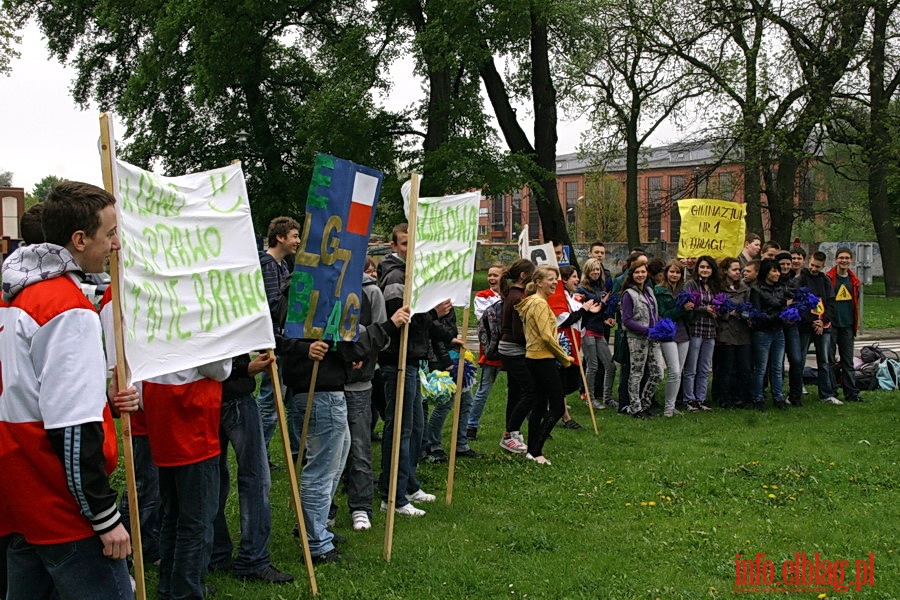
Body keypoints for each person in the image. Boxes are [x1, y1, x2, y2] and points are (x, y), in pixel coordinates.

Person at [0, 181, 140, 600]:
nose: (116, 244)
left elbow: (29, 391)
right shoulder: (67, 308)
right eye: (111, 232)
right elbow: (73, 426)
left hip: (19, 496)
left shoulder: (13, 295)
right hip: (61, 506)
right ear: (79, 239)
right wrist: (104, 516)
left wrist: (105, 402)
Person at [378, 223, 453, 517]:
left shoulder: (411, 275)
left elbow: (421, 319)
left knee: (415, 427)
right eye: (405, 244)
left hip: (412, 360)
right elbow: (401, 322)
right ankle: (391, 496)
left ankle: (408, 484)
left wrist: (444, 332)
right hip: (396, 361)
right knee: (399, 429)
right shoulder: (396, 277)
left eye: (414, 243)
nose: (411, 249)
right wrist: (434, 314)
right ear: (395, 246)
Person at [142, 359, 233, 599]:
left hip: (161, 411)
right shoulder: (198, 320)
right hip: (193, 418)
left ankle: (170, 587)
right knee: (196, 521)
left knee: (173, 516)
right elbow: (218, 368)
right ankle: (186, 591)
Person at [210, 352, 294, 583]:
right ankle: (249, 558)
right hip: (218, 395)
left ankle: (224, 553)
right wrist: (244, 368)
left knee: (218, 479)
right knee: (252, 478)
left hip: (216, 395)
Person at [515, 265, 573, 464]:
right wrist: (564, 358)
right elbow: (546, 336)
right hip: (542, 358)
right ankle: (537, 450)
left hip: (534, 357)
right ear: (538, 282)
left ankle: (532, 450)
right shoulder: (538, 303)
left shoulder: (534, 301)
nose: (554, 282)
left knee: (539, 405)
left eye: (556, 279)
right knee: (557, 406)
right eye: (550, 279)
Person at [257, 216, 301, 461]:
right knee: (270, 401)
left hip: (284, 340)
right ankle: (260, 454)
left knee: (288, 396)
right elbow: (273, 305)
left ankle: (295, 448)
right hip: (273, 341)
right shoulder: (269, 265)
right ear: (280, 238)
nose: (298, 241)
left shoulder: (283, 265)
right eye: (294, 236)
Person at [498, 259, 536, 454]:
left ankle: (512, 433)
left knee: (516, 392)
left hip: (510, 348)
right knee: (531, 392)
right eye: (533, 273)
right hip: (513, 350)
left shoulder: (514, 294)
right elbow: (518, 331)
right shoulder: (517, 298)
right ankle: (509, 434)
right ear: (524, 276)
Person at [620, 262, 665, 418]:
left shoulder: (650, 291)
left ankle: (646, 403)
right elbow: (627, 320)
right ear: (632, 274)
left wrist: (660, 328)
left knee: (658, 372)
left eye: (643, 272)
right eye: (637, 272)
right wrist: (646, 330)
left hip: (653, 337)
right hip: (637, 338)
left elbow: (654, 313)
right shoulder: (628, 294)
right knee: (636, 373)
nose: (641, 275)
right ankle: (635, 407)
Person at [467, 264, 504, 440]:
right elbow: (486, 317)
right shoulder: (483, 296)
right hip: (491, 348)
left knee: (521, 386)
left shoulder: (508, 295)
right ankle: (471, 425)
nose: (491, 278)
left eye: (495, 275)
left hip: (509, 347)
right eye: (490, 275)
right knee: (484, 388)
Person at [653, 259, 694, 417]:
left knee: (679, 371)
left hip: (684, 333)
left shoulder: (684, 290)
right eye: (672, 271)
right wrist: (682, 309)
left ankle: (671, 405)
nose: (675, 275)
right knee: (674, 371)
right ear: (666, 273)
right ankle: (668, 408)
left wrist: (690, 309)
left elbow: (689, 317)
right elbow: (665, 315)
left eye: (677, 272)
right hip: (668, 334)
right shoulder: (659, 291)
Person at [797, 251, 838, 404]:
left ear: (823, 266)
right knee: (799, 359)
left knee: (824, 360)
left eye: (818, 267)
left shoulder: (825, 281)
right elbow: (798, 303)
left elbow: (831, 303)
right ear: (809, 262)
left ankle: (826, 394)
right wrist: (812, 322)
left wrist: (823, 321)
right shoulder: (801, 278)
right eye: (813, 265)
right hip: (806, 325)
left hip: (823, 324)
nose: (814, 269)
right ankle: (797, 391)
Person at [711, 258, 752, 409]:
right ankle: (724, 397)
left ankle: (741, 396)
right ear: (725, 271)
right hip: (726, 332)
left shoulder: (744, 288)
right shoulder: (718, 288)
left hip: (743, 332)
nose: (737, 272)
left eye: (738, 269)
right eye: (734, 269)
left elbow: (749, 305)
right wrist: (728, 313)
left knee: (744, 367)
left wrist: (747, 315)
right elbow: (715, 308)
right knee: (726, 367)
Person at [682, 255, 721, 411]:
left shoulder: (714, 286)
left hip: (710, 330)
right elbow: (686, 305)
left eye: (708, 267)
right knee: (691, 367)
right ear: (697, 269)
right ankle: (689, 399)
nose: (705, 270)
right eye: (702, 267)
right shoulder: (691, 284)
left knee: (704, 368)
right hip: (695, 329)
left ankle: (701, 398)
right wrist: (705, 309)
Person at [577, 258, 617, 410]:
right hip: (587, 331)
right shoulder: (582, 290)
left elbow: (602, 310)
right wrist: (587, 309)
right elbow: (579, 311)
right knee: (592, 366)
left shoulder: (602, 288)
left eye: (598, 269)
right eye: (592, 269)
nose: (595, 272)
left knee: (611, 366)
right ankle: (590, 398)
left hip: (600, 330)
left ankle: (607, 398)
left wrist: (607, 318)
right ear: (587, 271)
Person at [826, 247, 864, 403]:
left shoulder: (853, 281)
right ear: (836, 259)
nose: (844, 260)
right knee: (829, 360)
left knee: (848, 361)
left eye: (847, 258)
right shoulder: (828, 278)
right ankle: (831, 392)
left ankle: (851, 393)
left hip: (847, 325)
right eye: (841, 257)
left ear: (851, 260)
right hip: (832, 325)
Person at [749, 259, 788, 410]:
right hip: (762, 333)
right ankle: (758, 397)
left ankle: (778, 396)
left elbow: (783, 306)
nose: (777, 273)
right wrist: (777, 315)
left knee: (778, 367)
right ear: (766, 272)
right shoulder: (756, 290)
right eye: (774, 270)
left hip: (778, 331)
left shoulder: (780, 289)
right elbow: (757, 314)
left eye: (778, 270)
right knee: (761, 368)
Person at [777, 251, 804, 407]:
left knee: (796, 359)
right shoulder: (773, 280)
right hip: (778, 325)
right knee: (778, 363)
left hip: (793, 325)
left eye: (788, 263)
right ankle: (778, 394)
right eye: (782, 264)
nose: (786, 266)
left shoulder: (797, 280)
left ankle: (796, 394)